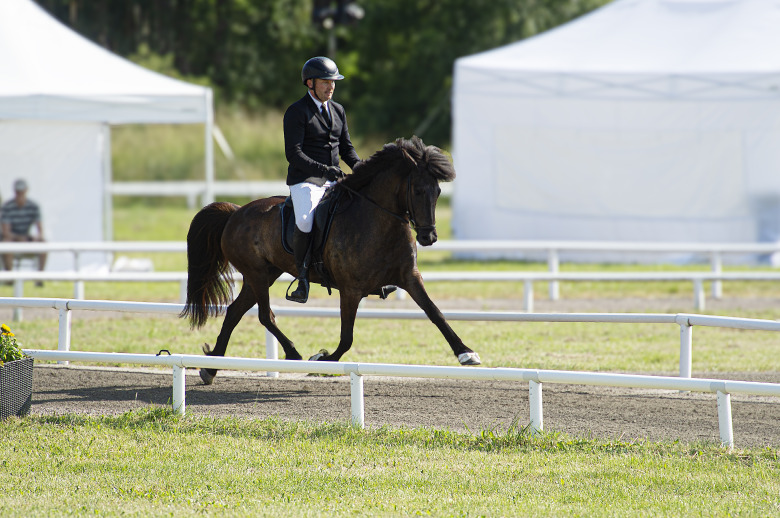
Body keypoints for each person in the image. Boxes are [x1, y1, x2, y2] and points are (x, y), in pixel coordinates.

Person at [283, 56, 361, 303]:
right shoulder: (297, 112)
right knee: (305, 220)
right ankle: (302, 278)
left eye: (333, 82)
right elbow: (293, 154)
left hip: (333, 178)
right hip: (306, 180)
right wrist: (324, 169)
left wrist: (361, 168)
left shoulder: (338, 110)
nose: (331, 86)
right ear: (310, 83)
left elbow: (346, 148)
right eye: (326, 82)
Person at [1, 179, 47, 282]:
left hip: (27, 239)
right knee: (6, 243)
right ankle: (10, 279)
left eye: (22, 192)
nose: (20, 195)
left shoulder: (33, 206)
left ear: (26, 191)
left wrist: (35, 238)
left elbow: (40, 231)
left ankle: (40, 278)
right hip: (13, 239)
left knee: (43, 243)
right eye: (18, 192)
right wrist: (19, 238)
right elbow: (6, 232)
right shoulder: (8, 207)